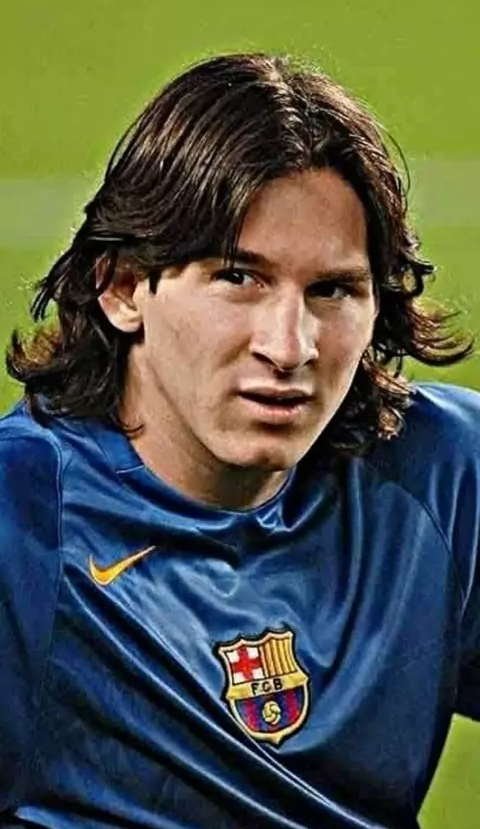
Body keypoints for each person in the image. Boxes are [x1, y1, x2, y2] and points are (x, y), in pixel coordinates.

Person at [0, 52, 478, 829]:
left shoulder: (444, 476)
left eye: (332, 289)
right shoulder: (21, 525)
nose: (289, 346)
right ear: (122, 287)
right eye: (238, 278)